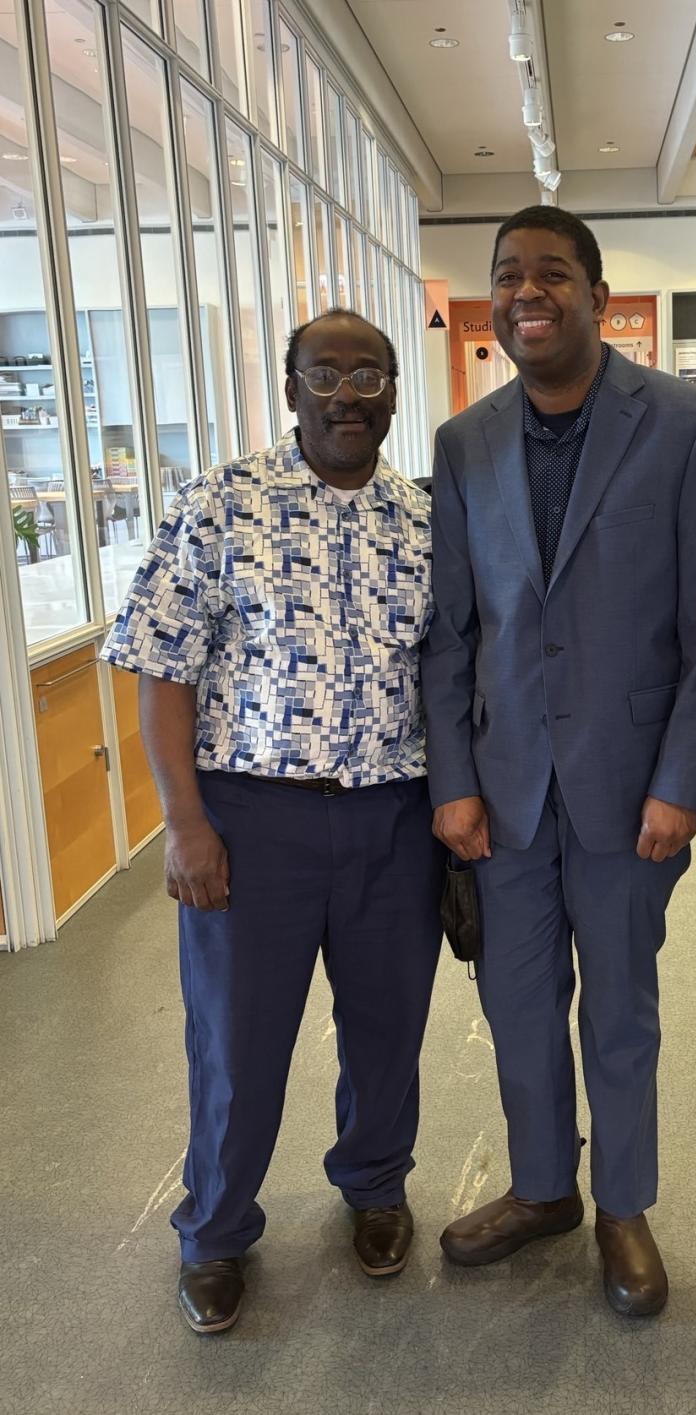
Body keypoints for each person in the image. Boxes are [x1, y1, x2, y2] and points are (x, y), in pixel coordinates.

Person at [421, 206, 696, 1316]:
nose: (527, 292)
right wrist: (452, 781)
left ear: (598, 296)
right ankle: (543, 1186)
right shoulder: (464, 443)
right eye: (508, 275)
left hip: (629, 786)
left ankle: (622, 1203)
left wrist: (682, 782)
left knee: (619, 1003)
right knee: (517, 1002)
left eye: (551, 273)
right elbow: (450, 630)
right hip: (503, 789)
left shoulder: (689, 425)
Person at [101, 310, 444, 1334]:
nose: (348, 391)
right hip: (253, 821)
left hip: (394, 817)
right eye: (325, 372)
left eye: (368, 373)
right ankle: (214, 1229)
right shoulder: (221, 501)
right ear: (290, 387)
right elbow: (163, 665)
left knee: (387, 1028)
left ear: (392, 390)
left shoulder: (426, 518)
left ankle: (375, 1186)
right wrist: (183, 822)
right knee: (239, 1043)